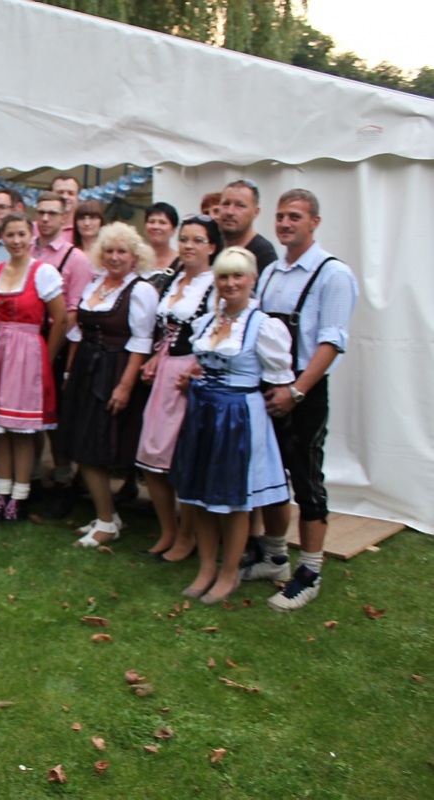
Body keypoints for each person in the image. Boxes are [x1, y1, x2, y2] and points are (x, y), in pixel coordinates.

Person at [241, 189, 359, 612]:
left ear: (315, 222)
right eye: (280, 216)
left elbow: (332, 342)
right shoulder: (271, 272)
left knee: (306, 478)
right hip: (267, 389)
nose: (286, 223)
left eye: (295, 216)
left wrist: (296, 391)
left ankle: (309, 570)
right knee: (271, 475)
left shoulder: (333, 274)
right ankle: (274, 556)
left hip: (303, 393)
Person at [171, 247, 294, 604]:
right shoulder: (207, 321)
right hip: (204, 413)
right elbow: (204, 366)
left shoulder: (264, 326)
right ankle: (207, 568)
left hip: (239, 417)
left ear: (252, 279)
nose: (230, 283)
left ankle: (228, 574)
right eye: (224, 276)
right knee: (199, 495)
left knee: (234, 500)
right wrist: (194, 383)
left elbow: (278, 380)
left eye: (238, 275)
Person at [59, 222, 157, 547]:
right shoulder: (95, 284)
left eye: (122, 252)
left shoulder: (140, 290)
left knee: (94, 447)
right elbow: (78, 334)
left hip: (113, 371)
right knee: (82, 444)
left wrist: (126, 386)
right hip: (87, 368)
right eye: (110, 251)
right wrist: (70, 372)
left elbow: (141, 343)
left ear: (134, 257)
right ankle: (108, 515)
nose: (115, 257)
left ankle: (107, 521)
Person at [135, 214, 221, 562]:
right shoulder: (173, 281)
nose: (188, 245)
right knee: (152, 456)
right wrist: (157, 356)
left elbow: (219, 333)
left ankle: (187, 536)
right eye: (184, 239)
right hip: (165, 374)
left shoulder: (216, 285)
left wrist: (199, 369)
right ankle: (168, 530)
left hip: (191, 378)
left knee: (182, 458)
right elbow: (165, 332)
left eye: (197, 240)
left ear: (212, 247)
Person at [0, 215, 67, 521]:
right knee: (1, 429)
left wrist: (45, 359)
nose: (15, 240)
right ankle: (1, 493)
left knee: (21, 431)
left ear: (31, 235)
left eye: (21, 234)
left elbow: (60, 319)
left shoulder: (43, 272)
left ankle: (20, 497)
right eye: (10, 234)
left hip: (27, 354)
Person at [31, 192, 96, 518]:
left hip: (55, 345)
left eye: (52, 214)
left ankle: (61, 483)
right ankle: (28, 482)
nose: (45, 219)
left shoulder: (76, 259)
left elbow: (73, 314)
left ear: (63, 218)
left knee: (55, 421)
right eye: (41, 212)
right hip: (26, 341)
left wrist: (49, 353)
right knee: (27, 417)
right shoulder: (27, 248)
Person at [217, 179, 277, 270]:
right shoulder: (213, 247)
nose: (230, 212)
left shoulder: (263, 254)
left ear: (256, 212)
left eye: (240, 206)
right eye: (226, 204)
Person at [144, 201, 180, 287]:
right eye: (151, 222)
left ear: (174, 230)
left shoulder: (181, 263)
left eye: (162, 222)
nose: (156, 227)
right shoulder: (135, 258)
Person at [50, 174, 81, 245]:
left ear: (78, 198)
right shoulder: (35, 228)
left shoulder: (84, 229)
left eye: (71, 193)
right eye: (60, 192)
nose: (65, 197)